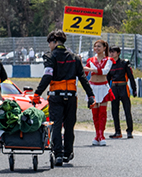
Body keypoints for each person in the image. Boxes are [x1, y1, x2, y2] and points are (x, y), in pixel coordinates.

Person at [32, 31, 95, 166]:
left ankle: (58, 154)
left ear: (54, 41)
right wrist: (91, 96)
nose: (49, 46)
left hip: (56, 96)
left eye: (50, 43)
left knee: (56, 125)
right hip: (71, 97)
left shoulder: (50, 56)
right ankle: (68, 152)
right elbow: (83, 78)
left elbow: (48, 75)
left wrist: (37, 93)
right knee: (69, 126)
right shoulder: (75, 58)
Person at [84, 39, 112, 146]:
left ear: (104, 48)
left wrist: (92, 69)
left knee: (102, 113)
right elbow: (84, 73)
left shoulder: (109, 60)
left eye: (99, 46)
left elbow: (105, 71)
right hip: (93, 88)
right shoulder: (90, 60)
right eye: (95, 46)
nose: (96, 48)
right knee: (95, 114)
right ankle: (97, 135)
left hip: (103, 88)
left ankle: (101, 135)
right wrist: (79, 64)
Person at [107, 45, 136, 139]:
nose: (111, 53)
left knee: (127, 110)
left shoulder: (125, 63)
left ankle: (129, 131)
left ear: (118, 53)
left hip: (123, 88)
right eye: (110, 52)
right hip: (114, 88)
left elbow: (131, 77)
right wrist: (106, 90)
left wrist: (134, 89)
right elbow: (107, 79)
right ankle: (117, 131)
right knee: (114, 111)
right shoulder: (109, 64)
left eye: (113, 52)